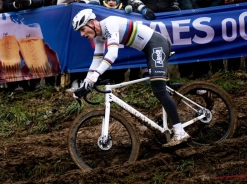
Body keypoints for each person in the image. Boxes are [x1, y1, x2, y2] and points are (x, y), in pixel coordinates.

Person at [72, 9, 190, 147]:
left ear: (92, 23)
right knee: (160, 86)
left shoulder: (109, 23)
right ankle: (194, 91)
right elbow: (96, 60)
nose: (82, 34)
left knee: (158, 89)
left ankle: (180, 132)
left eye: (82, 29)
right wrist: (86, 82)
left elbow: (112, 54)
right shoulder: (98, 36)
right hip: (148, 49)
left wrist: (96, 76)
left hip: (157, 44)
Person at [128, 0, 179, 78]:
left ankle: (162, 71)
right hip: (145, 19)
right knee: (146, 45)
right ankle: (145, 71)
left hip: (164, 23)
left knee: (162, 46)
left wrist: (174, 7)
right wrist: (142, 9)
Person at [177, 0, 223, 78]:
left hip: (209, 18)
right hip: (190, 18)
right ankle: (186, 75)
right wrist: (193, 13)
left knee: (208, 45)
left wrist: (208, 14)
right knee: (189, 46)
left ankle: (205, 73)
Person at [3, 0, 45, 91]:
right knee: (15, 52)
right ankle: (16, 83)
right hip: (13, 25)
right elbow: (4, 5)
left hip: (31, 23)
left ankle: (35, 81)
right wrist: (15, 5)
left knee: (32, 51)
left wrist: (30, 2)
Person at [214, 0, 247, 72]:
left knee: (235, 44)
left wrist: (235, 1)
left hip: (240, 21)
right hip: (220, 19)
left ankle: (233, 73)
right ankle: (218, 74)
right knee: (216, 43)